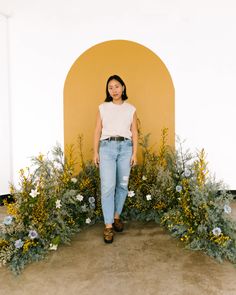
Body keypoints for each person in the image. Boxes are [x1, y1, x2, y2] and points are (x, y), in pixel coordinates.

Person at [93, 74, 138, 243]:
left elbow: (135, 132)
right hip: (107, 149)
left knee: (122, 185)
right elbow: (97, 130)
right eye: (110, 87)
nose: (114, 90)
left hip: (126, 149)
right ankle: (108, 226)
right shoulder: (103, 107)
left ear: (123, 87)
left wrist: (134, 153)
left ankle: (116, 216)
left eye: (117, 86)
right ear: (108, 90)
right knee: (108, 186)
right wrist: (95, 152)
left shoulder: (131, 109)